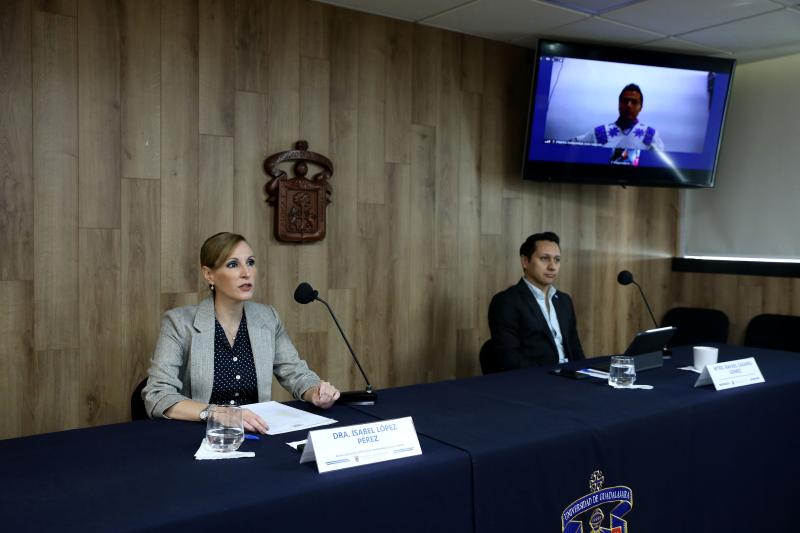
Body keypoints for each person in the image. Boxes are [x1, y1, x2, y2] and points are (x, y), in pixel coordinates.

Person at [142, 232, 340, 433]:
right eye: (233, 264)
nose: (247, 273)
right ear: (209, 275)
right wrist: (215, 413)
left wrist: (315, 391)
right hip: (201, 434)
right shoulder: (179, 322)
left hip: (256, 431)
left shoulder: (268, 318)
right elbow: (157, 394)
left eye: (250, 262)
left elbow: (295, 373)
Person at [487, 232, 584, 370]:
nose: (552, 266)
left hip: (570, 375)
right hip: (536, 378)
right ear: (525, 262)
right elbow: (509, 359)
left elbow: (575, 348)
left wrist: (585, 374)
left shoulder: (564, 300)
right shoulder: (506, 301)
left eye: (557, 259)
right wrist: (551, 376)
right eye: (544, 258)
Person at [572, 83, 664, 152]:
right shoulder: (599, 133)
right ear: (619, 104)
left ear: (641, 107)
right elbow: (568, 146)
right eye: (625, 101)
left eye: (634, 102)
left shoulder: (651, 135)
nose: (629, 105)